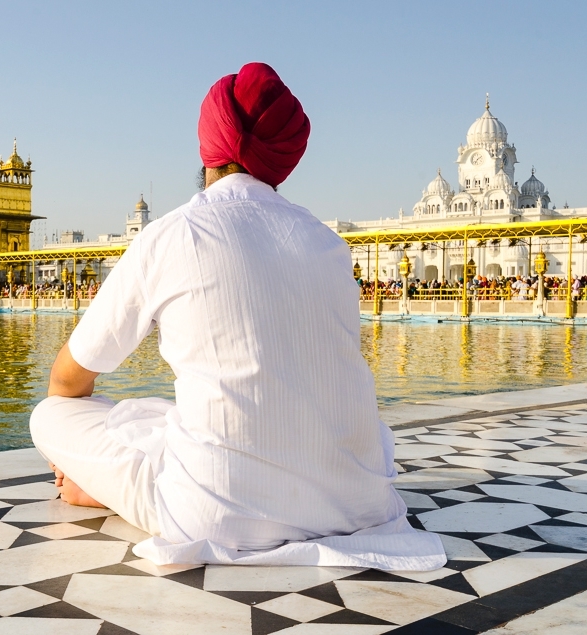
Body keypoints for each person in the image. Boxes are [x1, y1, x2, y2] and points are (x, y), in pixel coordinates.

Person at [29, 62, 444, 570]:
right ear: (283, 156)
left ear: (209, 148)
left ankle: (102, 491)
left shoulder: (174, 233)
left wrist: (82, 465)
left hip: (214, 515)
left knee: (50, 415)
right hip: (358, 505)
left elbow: (67, 380)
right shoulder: (329, 245)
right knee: (164, 415)